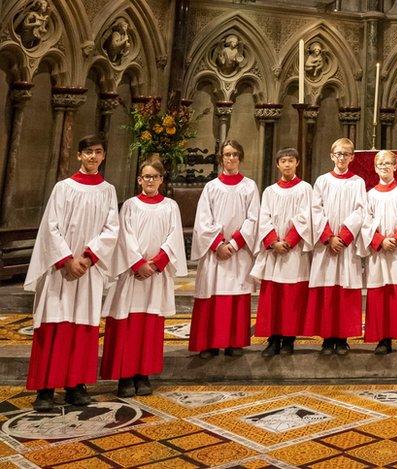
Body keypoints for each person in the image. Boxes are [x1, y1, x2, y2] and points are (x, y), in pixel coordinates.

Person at [24, 134, 119, 411]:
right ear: (79, 155)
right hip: (60, 271)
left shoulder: (108, 190)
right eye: (88, 152)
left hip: (88, 270)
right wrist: (67, 260)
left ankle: (76, 385)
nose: (92, 157)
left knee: (82, 326)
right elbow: (50, 227)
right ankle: (45, 388)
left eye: (98, 152)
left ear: (103, 156)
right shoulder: (63, 188)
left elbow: (111, 230)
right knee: (54, 324)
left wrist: (88, 258)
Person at [101, 158, 187, 397]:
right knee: (127, 324)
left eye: (155, 177)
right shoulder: (130, 205)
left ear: (162, 180)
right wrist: (138, 263)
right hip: (132, 274)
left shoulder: (170, 206)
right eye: (146, 177)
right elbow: (124, 237)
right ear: (139, 179)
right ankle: (125, 375)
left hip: (155, 275)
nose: (150, 181)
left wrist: (157, 262)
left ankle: (144, 374)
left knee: (150, 325)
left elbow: (174, 236)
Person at [188, 140, 260, 359]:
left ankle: (233, 341)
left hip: (238, 252)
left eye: (235, 155)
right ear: (221, 158)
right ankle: (209, 343)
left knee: (236, 293)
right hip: (215, 252)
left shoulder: (249, 186)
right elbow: (203, 219)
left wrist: (235, 243)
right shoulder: (211, 187)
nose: (231, 158)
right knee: (212, 292)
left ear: (240, 158)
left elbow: (253, 219)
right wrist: (218, 244)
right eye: (227, 155)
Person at [250, 148, 314, 358]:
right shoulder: (270, 191)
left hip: (293, 251)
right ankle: (273, 338)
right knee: (273, 296)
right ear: (278, 165)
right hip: (274, 251)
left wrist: (289, 241)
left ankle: (289, 339)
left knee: (291, 296)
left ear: (297, 163)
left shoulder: (305, 189)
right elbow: (264, 217)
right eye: (283, 161)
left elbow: (305, 217)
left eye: (291, 161)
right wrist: (272, 242)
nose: (287, 164)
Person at [307, 138, 367, 355]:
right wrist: (328, 237)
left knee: (345, 290)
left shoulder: (358, 182)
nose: (342, 158)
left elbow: (361, 210)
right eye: (338, 154)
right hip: (327, 245)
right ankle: (327, 338)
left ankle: (342, 338)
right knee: (327, 290)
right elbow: (315, 210)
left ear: (352, 157)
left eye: (346, 154)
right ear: (332, 156)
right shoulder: (322, 181)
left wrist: (343, 236)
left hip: (346, 246)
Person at [361, 150, 397, 354]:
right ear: (375, 168)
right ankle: (383, 339)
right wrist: (380, 241)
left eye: (388, 163)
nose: (384, 167)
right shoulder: (370, 195)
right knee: (380, 293)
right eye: (380, 163)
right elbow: (365, 222)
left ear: (395, 166)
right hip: (380, 252)